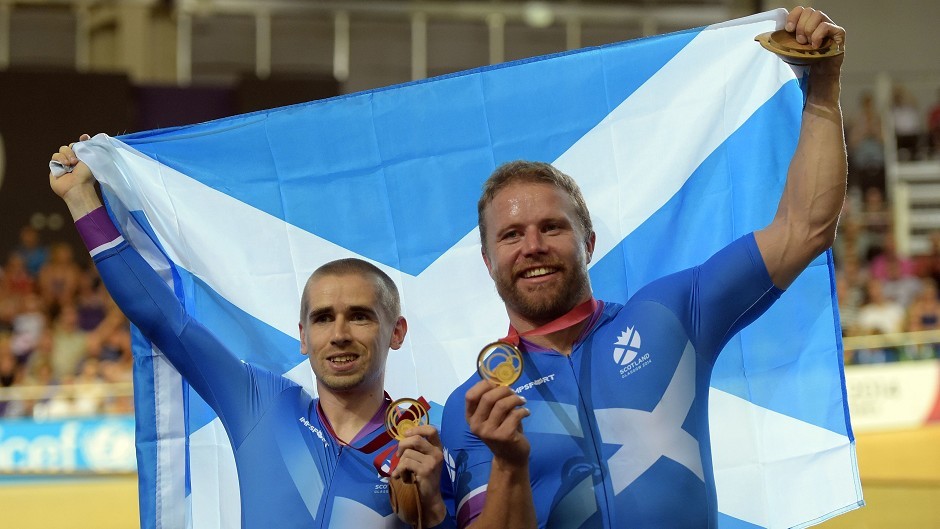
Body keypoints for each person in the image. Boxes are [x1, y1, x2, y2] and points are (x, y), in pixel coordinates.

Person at [441, 6, 847, 529]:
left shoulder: (670, 315)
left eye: (553, 227)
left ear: (588, 242)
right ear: (487, 260)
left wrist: (824, 88)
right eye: (512, 235)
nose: (534, 245)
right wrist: (508, 464)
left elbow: (805, 227)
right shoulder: (475, 408)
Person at [48, 140, 454, 529]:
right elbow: (165, 321)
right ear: (303, 336)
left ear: (396, 332)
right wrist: (81, 199)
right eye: (323, 318)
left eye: (360, 317)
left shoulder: (422, 451)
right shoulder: (262, 405)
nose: (339, 334)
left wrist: (434, 513)